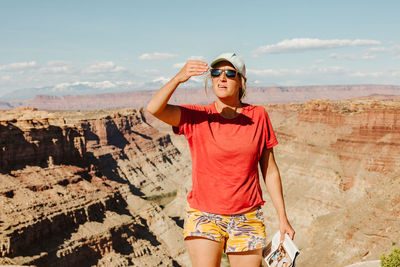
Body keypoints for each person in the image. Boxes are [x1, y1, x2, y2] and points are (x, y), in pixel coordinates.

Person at [147, 52, 295, 267]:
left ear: (241, 81)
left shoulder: (258, 116)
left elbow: (270, 170)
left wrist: (283, 218)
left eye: (229, 73)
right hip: (204, 215)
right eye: (216, 73)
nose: (221, 78)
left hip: (247, 217)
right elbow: (154, 108)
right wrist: (179, 77)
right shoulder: (196, 117)